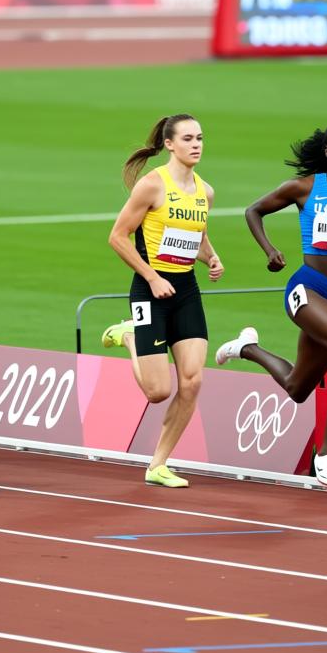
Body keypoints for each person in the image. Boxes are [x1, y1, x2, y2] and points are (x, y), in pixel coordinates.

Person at [213, 123, 327, 488]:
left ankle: (246, 348)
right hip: (306, 290)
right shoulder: (306, 188)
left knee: (297, 388)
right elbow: (253, 211)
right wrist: (270, 250)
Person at [101, 114, 224, 488]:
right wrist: (152, 278)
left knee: (192, 381)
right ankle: (128, 336)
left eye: (200, 138)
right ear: (169, 144)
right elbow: (118, 237)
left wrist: (211, 257)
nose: (196, 145)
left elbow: (195, 235)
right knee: (158, 392)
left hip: (185, 290)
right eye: (187, 139)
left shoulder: (205, 192)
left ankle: (158, 464)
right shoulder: (152, 185)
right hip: (149, 290)